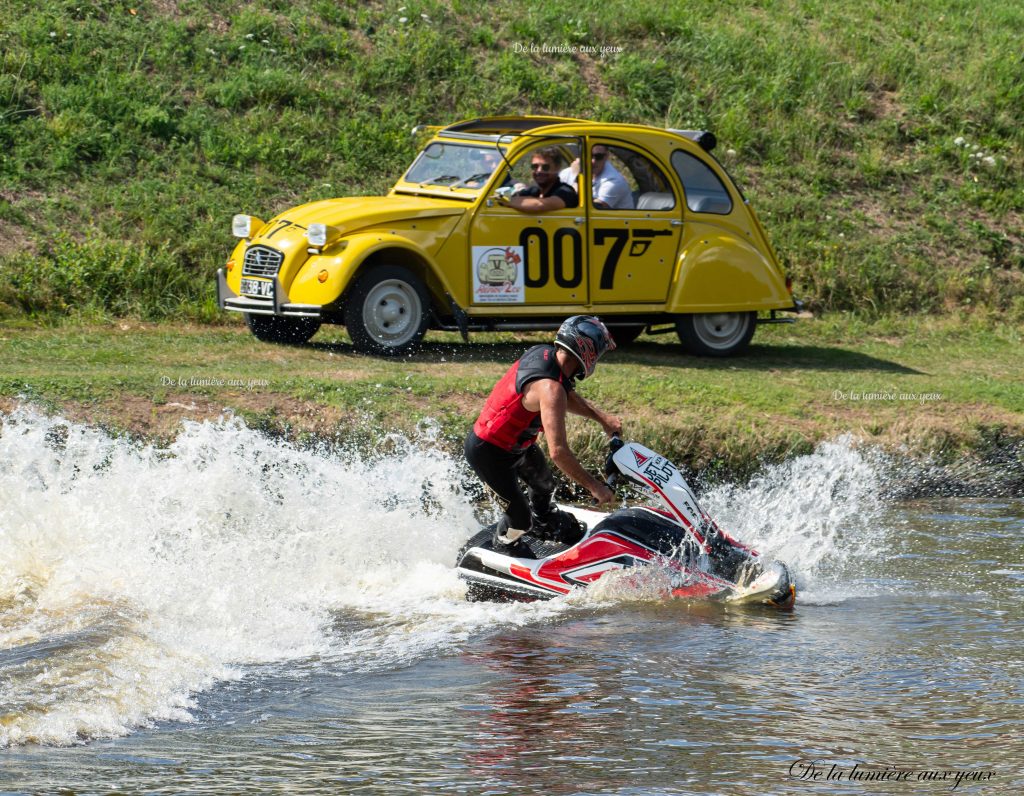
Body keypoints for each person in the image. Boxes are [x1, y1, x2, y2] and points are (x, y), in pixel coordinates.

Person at [464, 316, 622, 555]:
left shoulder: (545, 355)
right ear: (588, 354)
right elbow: (559, 453)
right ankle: (503, 545)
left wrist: (603, 419)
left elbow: (566, 394)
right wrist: (595, 487)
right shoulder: (550, 389)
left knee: (545, 485)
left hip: (516, 447)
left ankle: (543, 521)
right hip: (489, 453)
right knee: (519, 520)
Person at [498, 146, 579, 213]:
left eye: (545, 167)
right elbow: (516, 196)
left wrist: (506, 201)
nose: (539, 171)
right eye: (535, 166)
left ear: (557, 168)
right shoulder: (534, 191)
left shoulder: (565, 191)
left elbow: (539, 205)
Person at [559, 144, 634, 209]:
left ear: (606, 156)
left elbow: (592, 208)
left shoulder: (614, 181)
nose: (593, 161)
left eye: (599, 156)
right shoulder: (567, 173)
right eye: (589, 155)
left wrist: (577, 178)